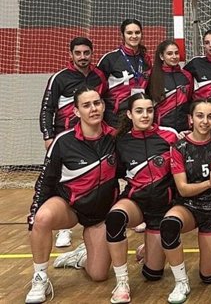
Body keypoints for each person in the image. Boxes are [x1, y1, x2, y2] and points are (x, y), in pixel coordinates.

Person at [25, 87, 118, 304]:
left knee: (98, 275)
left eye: (97, 103)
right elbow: (45, 183)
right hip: (69, 206)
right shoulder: (63, 141)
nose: (93, 109)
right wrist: (33, 215)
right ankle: (40, 278)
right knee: (42, 218)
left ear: (103, 106)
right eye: (86, 105)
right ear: (76, 111)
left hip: (99, 216)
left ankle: (80, 257)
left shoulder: (115, 139)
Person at [105, 93, 178, 304]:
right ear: (129, 114)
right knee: (115, 217)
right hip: (135, 202)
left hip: (161, 209)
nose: (145, 115)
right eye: (139, 111)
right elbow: (113, 173)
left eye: (149, 110)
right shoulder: (121, 141)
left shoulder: (170, 136)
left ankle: (147, 248)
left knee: (153, 275)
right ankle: (122, 282)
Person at [39, 36, 108, 248]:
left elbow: (105, 105)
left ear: (91, 53)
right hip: (65, 139)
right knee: (61, 182)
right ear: (71, 55)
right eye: (78, 53)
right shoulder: (59, 78)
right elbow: (46, 108)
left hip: (91, 140)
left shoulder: (99, 77)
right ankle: (64, 229)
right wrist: (48, 135)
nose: (82, 57)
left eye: (86, 53)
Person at [162, 100, 211, 303]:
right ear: (190, 119)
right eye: (200, 116)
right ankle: (181, 281)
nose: (205, 121)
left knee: (209, 277)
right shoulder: (179, 146)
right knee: (169, 224)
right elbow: (183, 189)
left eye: (210, 116)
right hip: (188, 207)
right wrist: (209, 183)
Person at [98, 19, 151, 126]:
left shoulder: (146, 59)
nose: (134, 36)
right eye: (129, 33)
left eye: (137, 32)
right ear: (123, 35)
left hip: (140, 116)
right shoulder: (110, 59)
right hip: (115, 117)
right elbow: (97, 90)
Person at [147, 40, 194, 132]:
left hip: (184, 129)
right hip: (161, 130)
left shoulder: (187, 76)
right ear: (161, 56)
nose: (174, 56)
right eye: (169, 54)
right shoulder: (151, 76)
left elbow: (190, 100)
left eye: (176, 53)